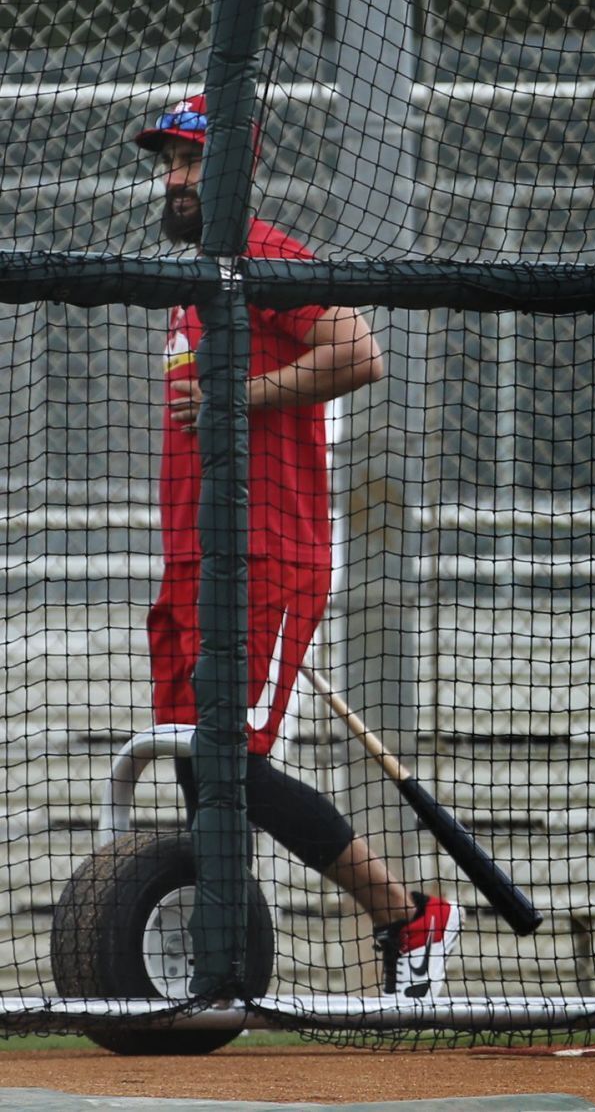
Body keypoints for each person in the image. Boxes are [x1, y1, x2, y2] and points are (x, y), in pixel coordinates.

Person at [135, 94, 460, 1000]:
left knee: (229, 764)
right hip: (199, 561)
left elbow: (359, 352)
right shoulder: (197, 280)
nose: (175, 178)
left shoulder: (268, 256)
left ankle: (408, 916)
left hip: (268, 556)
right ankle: (221, 959)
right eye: (168, 162)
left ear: (235, 167)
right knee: (198, 765)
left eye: (191, 160)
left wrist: (240, 395)